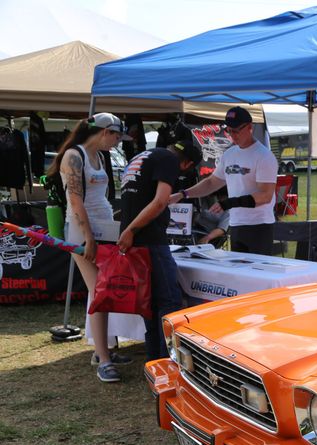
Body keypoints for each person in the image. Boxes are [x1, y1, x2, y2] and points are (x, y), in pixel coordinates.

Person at [46, 113, 132, 383]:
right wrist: (88, 237)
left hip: (104, 227)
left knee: (106, 289)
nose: (118, 142)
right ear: (105, 131)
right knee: (99, 291)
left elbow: (100, 196)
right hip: (82, 231)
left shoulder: (101, 156)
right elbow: (75, 199)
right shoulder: (75, 155)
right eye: (116, 136)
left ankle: (104, 348)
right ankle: (103, 358)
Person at [117, 139, 203, 361]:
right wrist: (131, 230)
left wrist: (129, 231)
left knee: (150, 301)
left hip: (136, 239)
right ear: (187, 164)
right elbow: (160, 201)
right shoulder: (169, 161)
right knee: (169, 301)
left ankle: (154, 359)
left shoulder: (145, 156)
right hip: (149, 238)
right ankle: (167, 361)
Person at [170, 107, 277, 254]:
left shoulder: (264, 156)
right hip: (236, 225)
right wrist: (183, 194)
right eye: (229, 130)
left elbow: (265, 195)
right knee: (238, 274)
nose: (232, 135)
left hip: (259, 225)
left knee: (258, 274)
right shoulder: (229, 154)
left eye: (236, 130)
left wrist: (228, 203)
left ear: (250, 127)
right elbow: (211, 182)